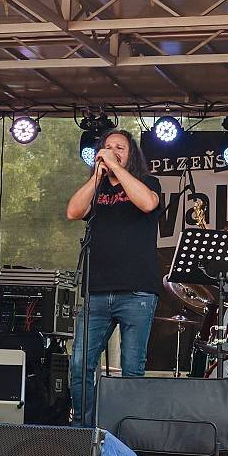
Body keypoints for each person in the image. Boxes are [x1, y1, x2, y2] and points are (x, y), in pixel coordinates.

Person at [66, 129, 163, 426]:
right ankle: (85, 431)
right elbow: (72, 211)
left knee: (132, 368)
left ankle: (127, 432)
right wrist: (96, 177)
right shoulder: (97, 187)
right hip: (96, 291)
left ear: (131, 154)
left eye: (119, 147)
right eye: (107, 147)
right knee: (81, 364)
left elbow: (147, 203)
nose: (111, 151)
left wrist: (118, 168)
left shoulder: (147, 182)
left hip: (137, 292)